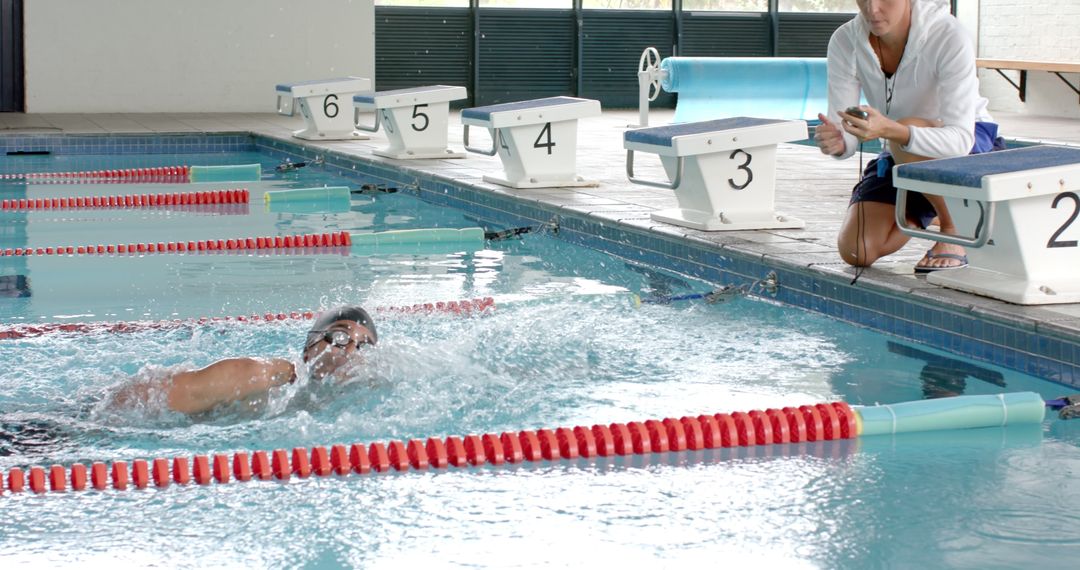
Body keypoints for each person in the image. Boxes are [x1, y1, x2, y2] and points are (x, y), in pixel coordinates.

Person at [814, 0, 1004, 272]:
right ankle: (933, 207)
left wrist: (893, 131)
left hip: (971, 145)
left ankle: (954, 228)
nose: (873, 9)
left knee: (905, 128)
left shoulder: (948, 35)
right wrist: (837, 142)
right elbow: (846, 127)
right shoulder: (845, 40)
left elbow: (961, 139)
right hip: (901, 151)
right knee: (858, 250)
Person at [110, 306, 377, 415]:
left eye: (362, 346)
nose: (350, 351)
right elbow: (141, 395)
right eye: (340, 337)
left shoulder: (364, 401)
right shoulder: (262, 375)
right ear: (309, 348)